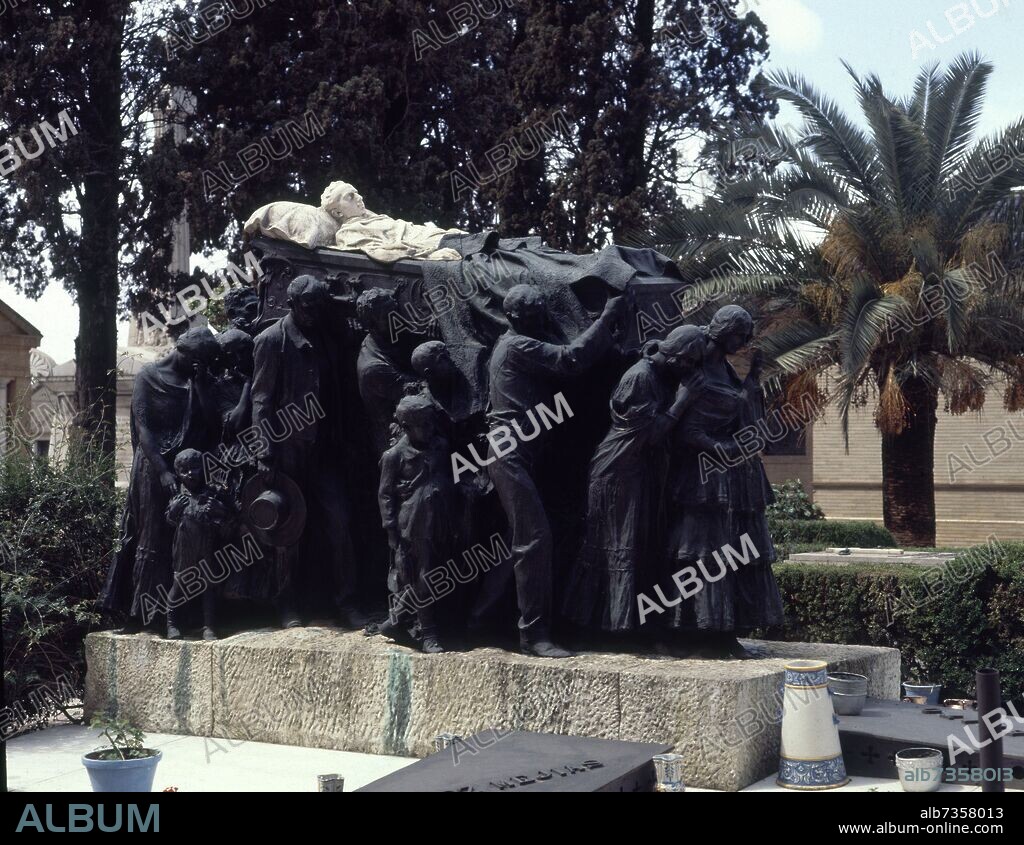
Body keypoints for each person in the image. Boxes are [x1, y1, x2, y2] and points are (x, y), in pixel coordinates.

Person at [482, 284, 627, 657]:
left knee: (531, 536)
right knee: (533, 540)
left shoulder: (518, 339)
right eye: (534, 315)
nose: (542, 319)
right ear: (516, 318)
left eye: (541, 312)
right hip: (509, 452)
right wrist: (608, 317)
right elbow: (570, 359)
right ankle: (533, 635)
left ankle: (481, 617)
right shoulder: (517, 346)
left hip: (523, 452)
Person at [564, 324, 705, 633]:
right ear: (678, 358)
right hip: (617, 472)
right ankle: (606, 627)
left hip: (636, 472)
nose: (690, 370)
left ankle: (628, 624)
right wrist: (683, 400)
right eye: (690, 363)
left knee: (635, 546)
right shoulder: (640, 377)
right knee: (616, 545)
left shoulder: (658, 372)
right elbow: (651, 435)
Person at [664, 305, 784, 658]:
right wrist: (721, 448)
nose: (745, 342)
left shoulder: (727, 370)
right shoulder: (696, 365)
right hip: (705, 480)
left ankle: (726, 632)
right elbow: (686, 429)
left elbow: (741, 413)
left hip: (735, 475)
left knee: (738, 552)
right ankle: (702, 632)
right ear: (725, 332)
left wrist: (753, 381)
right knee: (705, 555)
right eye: (741, 335)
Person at [251, 275, 359, 627]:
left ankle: (346, 600)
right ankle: (287, 605)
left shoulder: (327, 338)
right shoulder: (271, 340)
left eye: (319, 306)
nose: (314, 312)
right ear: (293, 304)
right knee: (287, 530)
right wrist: (264, 451)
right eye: (307, 306)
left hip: (325, 449)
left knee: (340, 523)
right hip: (287, 451)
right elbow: (261, 400)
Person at [101, 328, 220, 628]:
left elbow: (211, 424)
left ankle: (181, 615)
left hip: (188, 468)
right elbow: (144, 430)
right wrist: (163, 471)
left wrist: (202, 384)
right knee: (150, 536)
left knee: (182, 540)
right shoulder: (148, 377)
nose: (201, 366)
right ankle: (140, 613)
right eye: (199, 361)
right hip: (154, 467)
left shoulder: (196, 381)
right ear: (184, 353)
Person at [376, 395, 455, 653]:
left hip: (441, 520)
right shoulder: (394, 455)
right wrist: (390, 530)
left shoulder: (440, 446)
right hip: (413, 525)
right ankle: (428, 634)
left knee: (438, 572)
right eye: (424, 425)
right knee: (422, 577)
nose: (430, 429)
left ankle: (395, 619)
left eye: (431, 424)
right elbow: (385, 494)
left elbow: (450, 475)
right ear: (407, 427)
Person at [165, 449, 234, 641]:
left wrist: (220, 511)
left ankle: (209, 626)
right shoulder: (178, 496)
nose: (190, 474)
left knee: (208, 585)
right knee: (179, 584)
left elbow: (230, 519)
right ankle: (171, 623)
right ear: (178, 473)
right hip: (184, 546)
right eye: (184, 470)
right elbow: (169, 521)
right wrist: (173, 511)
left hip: (207, 544)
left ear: (202, 468)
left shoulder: (212, 493)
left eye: (195, 468)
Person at [355, 288, 420, 456]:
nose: (396, 319)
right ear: (372, 324)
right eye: (388, 316)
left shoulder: (385, 338)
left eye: (395, 311)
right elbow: (417, 390)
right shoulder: (373, 368)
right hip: (397, 439)